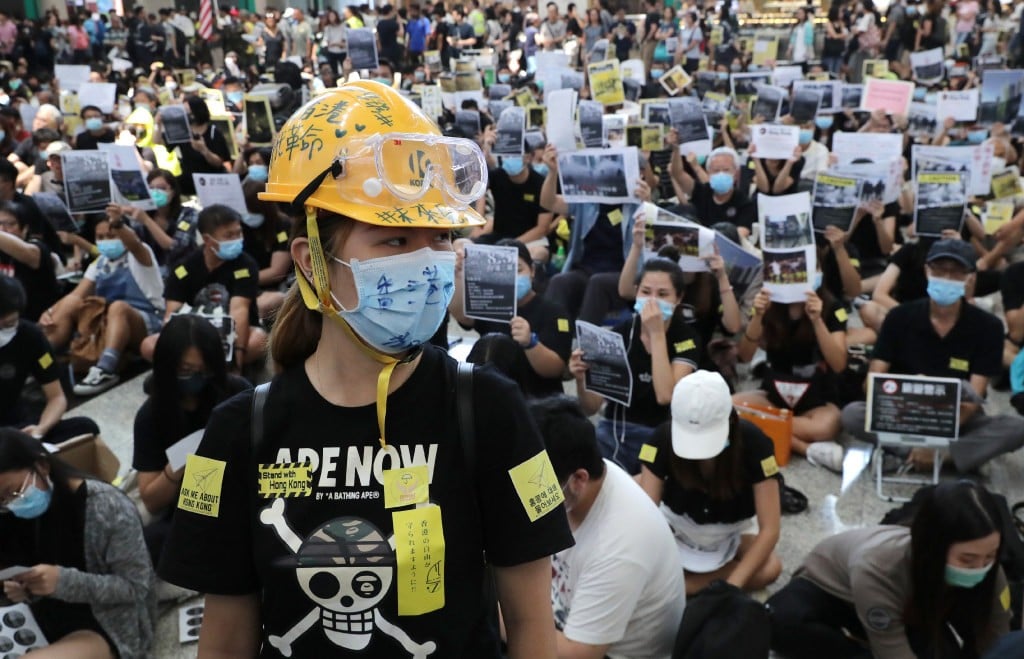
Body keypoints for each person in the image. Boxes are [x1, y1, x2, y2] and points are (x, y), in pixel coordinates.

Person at [158, 81, 573, 658]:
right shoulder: (237, 433)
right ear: (313, 262)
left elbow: (532, 632)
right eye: (395, 239)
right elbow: (225, 641)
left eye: (439, 240)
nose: (426, 265)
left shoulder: (491, 410)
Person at [768, 481, 1015, 659]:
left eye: (989, 556)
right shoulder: (879, 568)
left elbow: (997, 640)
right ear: (934, 546)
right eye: (967, 560)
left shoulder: (990, 571)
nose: (979, 568)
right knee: (781, 621)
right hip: (836, 592)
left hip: (911, 608)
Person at [841, 239, 1024, 473]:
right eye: (940, 270)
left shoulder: (988, 327)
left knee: (1016, 427)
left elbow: (974, 397)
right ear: (927, 271)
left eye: (956, 272)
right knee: (852, 414)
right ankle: (933, 456)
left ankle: (931, 455)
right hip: (902, 412)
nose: (947, 278)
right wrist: (902, 392)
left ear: (970, 277)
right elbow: (872, 382)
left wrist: (937, 433)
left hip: (957, 417)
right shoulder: (899, 317)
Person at [531, 395, 687, 659]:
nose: (530, 495)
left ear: (578, 479)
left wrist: (498, 610)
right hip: (566, 617)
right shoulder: (589, 481)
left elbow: (577, 653)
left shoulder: (619, 544)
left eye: (535, 485)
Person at [0, 428, 157, 659]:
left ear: (42, 466)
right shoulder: (15, 513)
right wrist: (26, 588)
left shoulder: (106, 506)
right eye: (3, 501)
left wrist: (63, 581)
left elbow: (136, 588)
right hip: (45, 612)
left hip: (104, 623)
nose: (12, 503)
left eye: (13, 491)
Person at [640, 371, 782, 595]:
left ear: (731, 420)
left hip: (732, 532)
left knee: (771, 567)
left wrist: (732, 587)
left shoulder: (756, 444)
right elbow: (644, 520)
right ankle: (693, 585)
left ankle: (684, 587)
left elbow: (770, 529)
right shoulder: (661, 439)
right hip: (675, 527)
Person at [132, 315, 250, 565]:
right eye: (186, 370)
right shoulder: (151, 415)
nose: (196, 378)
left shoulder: (235, 391)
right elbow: (151, 500)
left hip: (241, 488)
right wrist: (181, 463)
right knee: (150, 545)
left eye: (203, 370)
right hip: (192, 499)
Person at [571, 258, 700, 475]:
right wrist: (580, 378)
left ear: (679, 298)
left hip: (661, 436)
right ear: (636, 292)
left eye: (662, 295)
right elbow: (590, 408)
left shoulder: (686, 338)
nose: (652, 301)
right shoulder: (618, 334)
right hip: (613, 433)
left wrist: (657, 334)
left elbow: (665, 396)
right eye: (646, 292)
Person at [42, 212, 164, 397]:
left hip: (145, 323)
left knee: (118, 307)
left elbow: (135, 245)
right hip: (106, 324)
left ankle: (105, 370)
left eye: (111, 235)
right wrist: (50, 311)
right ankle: (39, 357)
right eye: (100, 237)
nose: (106, 240)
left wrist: (119, 224)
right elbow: (76, 295)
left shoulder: (140, 254)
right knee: (70, 302)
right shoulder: (99, 263)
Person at [735, 278, 848, 471]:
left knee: (827, 426)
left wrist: (817, 320)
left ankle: (760, 431)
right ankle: (806, 449)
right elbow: (744, 356)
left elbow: (838, 364)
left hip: (817, 400)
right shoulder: (769, 304)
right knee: (728, 409)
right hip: (773, 397)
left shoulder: (833, 306)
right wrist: (758, 315)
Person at [140, 204, 266, 369]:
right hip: (193, 335)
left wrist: (237, 361)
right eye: (229, 235)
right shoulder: (183, 269)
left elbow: (239, 311)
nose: (236, 239)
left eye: (238, 233)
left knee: (259, 341)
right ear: (207, 240)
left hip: (235, 334)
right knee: (149, 346)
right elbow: (172, 315)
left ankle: (203, 367)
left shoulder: (246, 265)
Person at [452, 239, 572, 398]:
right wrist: (457, 275)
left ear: (532, 270)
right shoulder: (489, 303)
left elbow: (555, 369)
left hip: (539, 400)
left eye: (518, 270)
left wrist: (531, 343)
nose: (512, 278)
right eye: (502, 272)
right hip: (495, 396)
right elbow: (462, 315)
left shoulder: (554, 311)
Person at [672, 147, 757, 239]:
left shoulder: (744, 203)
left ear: (736, 173)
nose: (721, 174)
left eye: (726, 170)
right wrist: (676, 148)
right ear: (709, 173)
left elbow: (740, 235)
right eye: (716, 171)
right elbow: (678, 174)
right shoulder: (701, 192)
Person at [127, 168, 198, 273]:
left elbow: (176, 247)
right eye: (151, 188)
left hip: (182, 271)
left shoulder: (187, 214)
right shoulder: (141, 214)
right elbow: (135, 246)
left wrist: (147, 221)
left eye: (162, 188)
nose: (156, 192)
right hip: (151, 272)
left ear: (173, 191)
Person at [0, 199, 59, 322]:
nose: (3, 229)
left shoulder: (37, 248)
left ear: (25, 229)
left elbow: (28, 253)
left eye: (10, 224)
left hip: (35, 321)